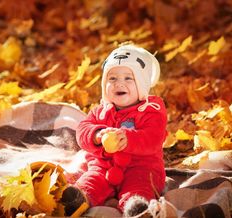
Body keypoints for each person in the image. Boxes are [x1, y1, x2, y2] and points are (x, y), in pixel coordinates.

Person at [61, 44, 167, 217]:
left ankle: (137, 208)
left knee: (140, 186)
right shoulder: (100, 111)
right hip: (104, 167)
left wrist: (130, 139)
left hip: (140, 167)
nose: (119, 83)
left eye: (128, 78)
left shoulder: (152, 110)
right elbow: (82, 130)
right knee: (92, 180)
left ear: (142, 84)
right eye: (112, 78)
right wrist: (96, 134)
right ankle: (77, 200)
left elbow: (154, 137)